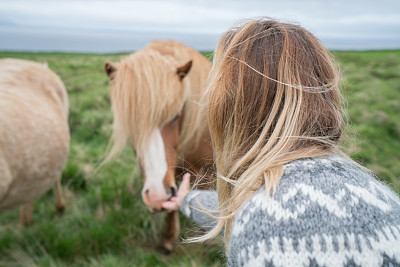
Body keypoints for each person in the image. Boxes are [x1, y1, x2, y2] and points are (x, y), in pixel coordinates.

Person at [162, 18, 400, 266]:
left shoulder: (264, 230)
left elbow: (262, 217)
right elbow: (244, 211)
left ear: (231, 107)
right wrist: (187, 201)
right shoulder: (384, 199)